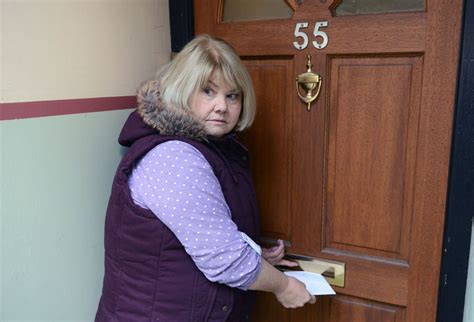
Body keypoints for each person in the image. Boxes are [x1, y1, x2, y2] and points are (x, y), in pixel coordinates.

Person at [95, 34, 315, 322]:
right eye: (208, 92)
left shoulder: (213, 149)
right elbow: (224, 259)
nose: (222, 106)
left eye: (232, 95)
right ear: (181, 90)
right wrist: (284, 286)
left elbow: (208, 229)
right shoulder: (174, 157)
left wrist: (256, 254)